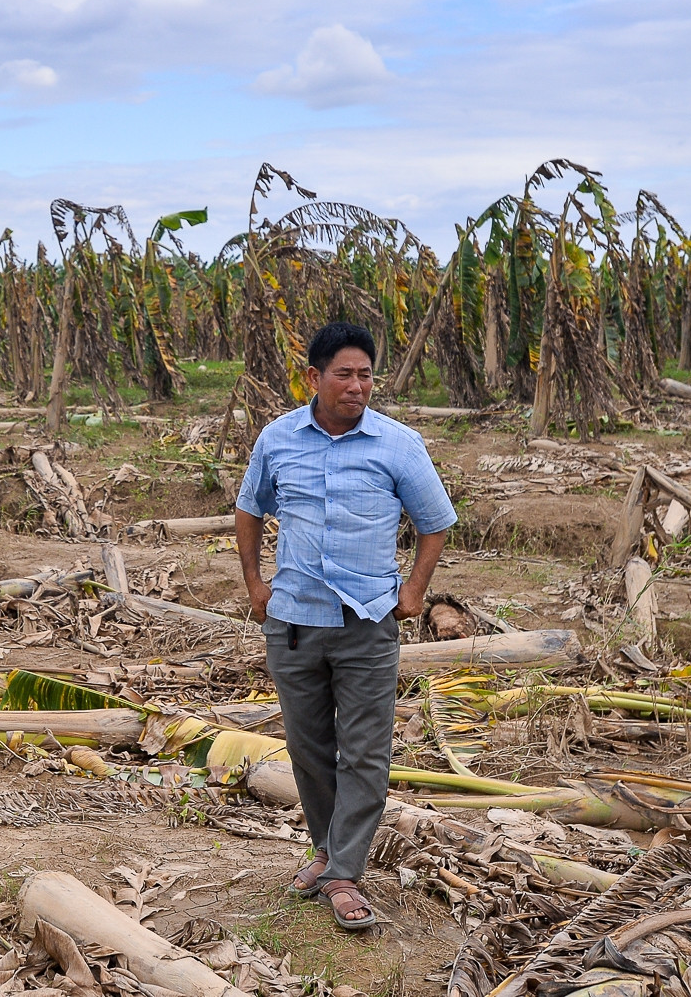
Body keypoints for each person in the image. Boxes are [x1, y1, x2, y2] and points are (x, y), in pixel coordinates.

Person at [233, 321, 456, 930]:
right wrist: (256, 584)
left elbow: (435, 521)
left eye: (366, 375)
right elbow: (249, 509)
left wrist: (414, 590)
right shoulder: (278, 439)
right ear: (314, 377)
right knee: (309, 750)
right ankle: (329, 853)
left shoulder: (398, 444)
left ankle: (344, 873)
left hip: (367, 622)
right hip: (295, 622)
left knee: (364, 752)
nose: (358, 386)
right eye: (344, 374)